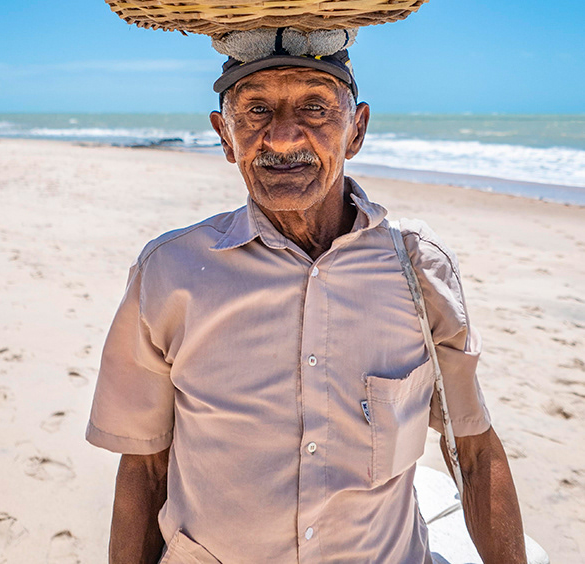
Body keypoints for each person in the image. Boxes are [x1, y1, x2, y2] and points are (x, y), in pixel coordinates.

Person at [87, 29, 528, 564]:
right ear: (225, 136)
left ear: (356, 130)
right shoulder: (169, 271)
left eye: (315, 108)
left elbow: (472, 450)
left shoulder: (418, 268)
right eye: (256, 111)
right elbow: (144, 465)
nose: (282, 137)